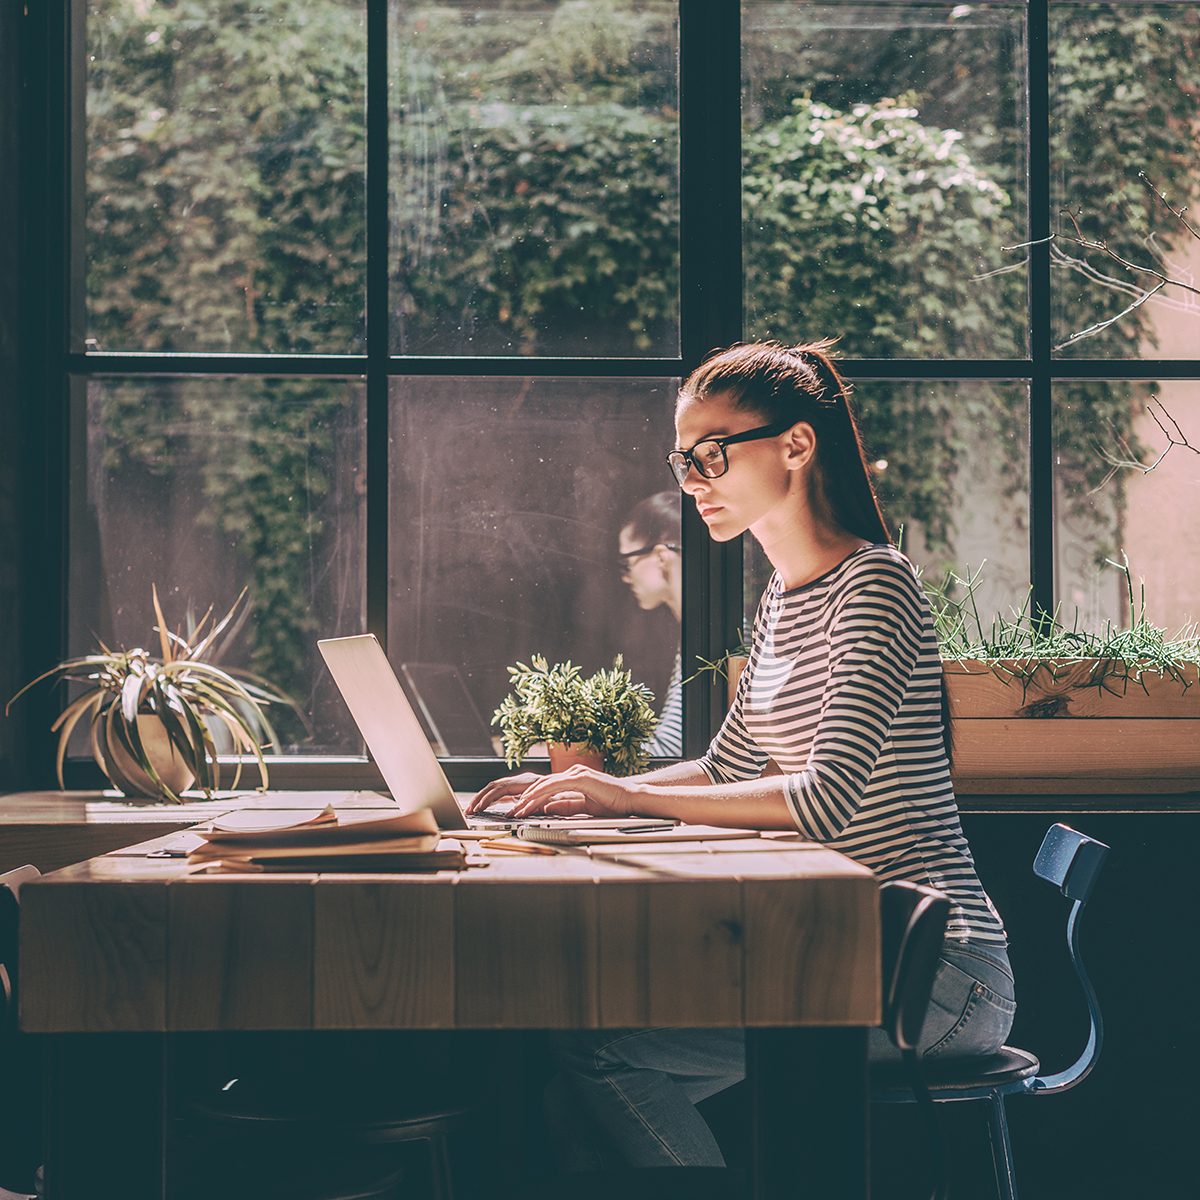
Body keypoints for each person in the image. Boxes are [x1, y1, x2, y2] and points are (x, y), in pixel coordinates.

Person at [468, 341, 1014, 1168]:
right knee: (569, 1094)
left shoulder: (877, 584)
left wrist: (629, 799)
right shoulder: (781, 599)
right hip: (843, 951)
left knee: (601, 1055)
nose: (692, 481)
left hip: (939, 975)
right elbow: (729, 766)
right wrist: (586, 787)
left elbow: (824, 799)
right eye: (683, 459)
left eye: (712, 454)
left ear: (795, 446)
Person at [617, 492, 683, 757]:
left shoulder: (706, 641)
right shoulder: (696, 634)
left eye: (627, 562)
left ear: (660, 557)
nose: (626, 577)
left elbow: (672, 752)